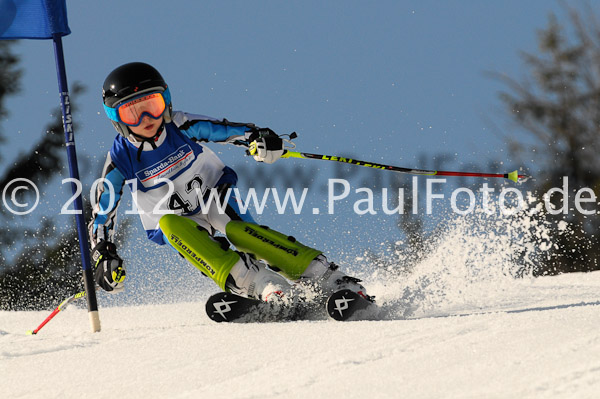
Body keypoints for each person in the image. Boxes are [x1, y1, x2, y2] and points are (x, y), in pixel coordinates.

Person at [89, 62, 370, 305]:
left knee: (240, 232)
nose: (146, 118)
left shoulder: (181, 125)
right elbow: (103, 214)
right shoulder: (120, 159)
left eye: (152, 106)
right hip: (177, 220)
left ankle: (326, 276)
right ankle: (262, 286)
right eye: (132, 113)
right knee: (171, 225)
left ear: (166, 101)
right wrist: (103, 253)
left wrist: (259, 139)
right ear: (117, 119)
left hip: (213, 194)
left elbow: (226, 130)